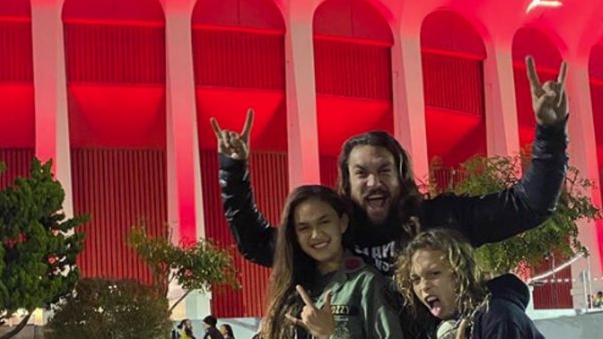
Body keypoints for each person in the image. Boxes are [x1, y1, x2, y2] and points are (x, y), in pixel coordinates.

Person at [214, 56, 567, 337]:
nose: (373, 183)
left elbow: (528, 205)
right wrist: (233, 171)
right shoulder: (333, 236)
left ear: (402, 176)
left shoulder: (441, 220)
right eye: (361, 173)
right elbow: (256, 242)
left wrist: (550, 132)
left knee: (501, 310)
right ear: (346, 183)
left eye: (384, 171)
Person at [258, 185, 403, 339]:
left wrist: (331, 334)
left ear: (342, 223)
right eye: (304, 228)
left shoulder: (366, 283)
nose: (316, 234)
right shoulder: (289, 287)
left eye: (324, 222)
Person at [395, 228, 545, 339]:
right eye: (416, 279)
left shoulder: (499, 317)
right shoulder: (432, 327)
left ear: (460, 273)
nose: (424, 286)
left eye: (434, 274)